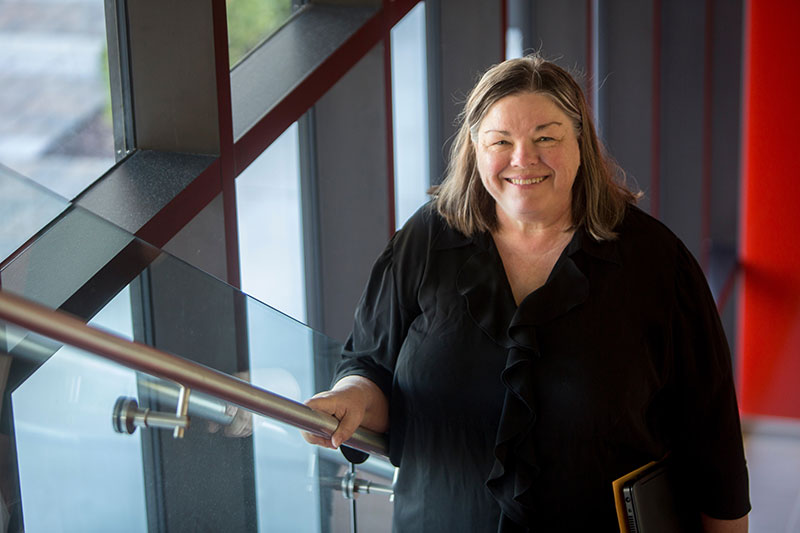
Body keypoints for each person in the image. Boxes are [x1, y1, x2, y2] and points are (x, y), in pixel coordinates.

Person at [304, 55, 751, 532]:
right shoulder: (425, 241)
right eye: (501, 141)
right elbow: (370, 364)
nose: (524, 159)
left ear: (580, 143)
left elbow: (713, 439)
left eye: (546, 137)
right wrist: (350, 395)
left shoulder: (657, 262)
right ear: (475, 148)